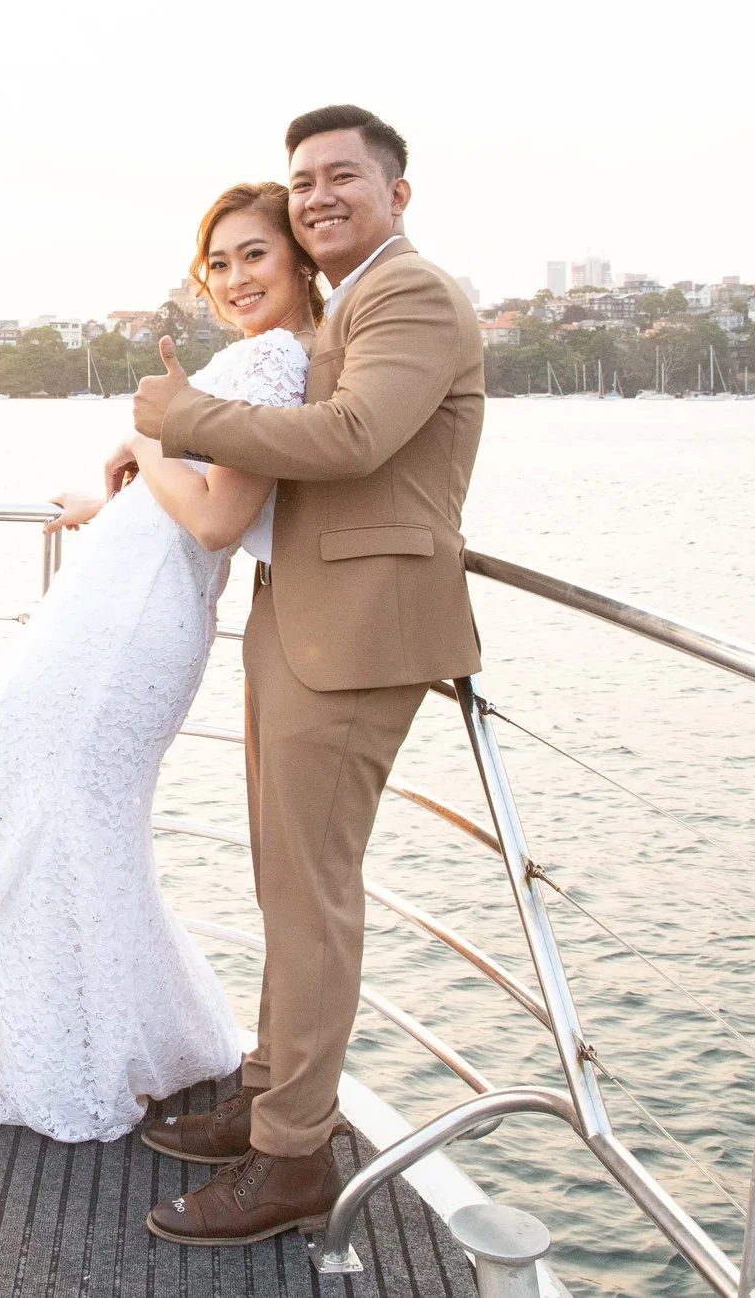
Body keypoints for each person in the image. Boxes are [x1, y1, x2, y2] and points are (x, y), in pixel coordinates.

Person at [125, 105, 485, 1246]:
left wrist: (182, 416)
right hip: (305, 611)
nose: (320, 194)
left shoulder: (411, 293)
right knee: (285, 877)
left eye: (343, 176)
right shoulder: (352, 299)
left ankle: (292, 1158)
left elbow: (351, 437)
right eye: (304, 180)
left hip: (363, 629)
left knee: (314, 894)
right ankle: (271, 1088)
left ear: (396, 190)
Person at [0, 183, 323, 1143]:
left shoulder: (274, 361)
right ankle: (128, 1035)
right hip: (110, 604)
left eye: (254, 255)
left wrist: (147, 433)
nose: (233, 278)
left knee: (46, 810)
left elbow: (222, 517)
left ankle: (76, 1058)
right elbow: (191, 501)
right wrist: (113, 501)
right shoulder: (252, 357)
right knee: (5, 786)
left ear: (300, 261)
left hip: (130, 630)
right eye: (217, 263)